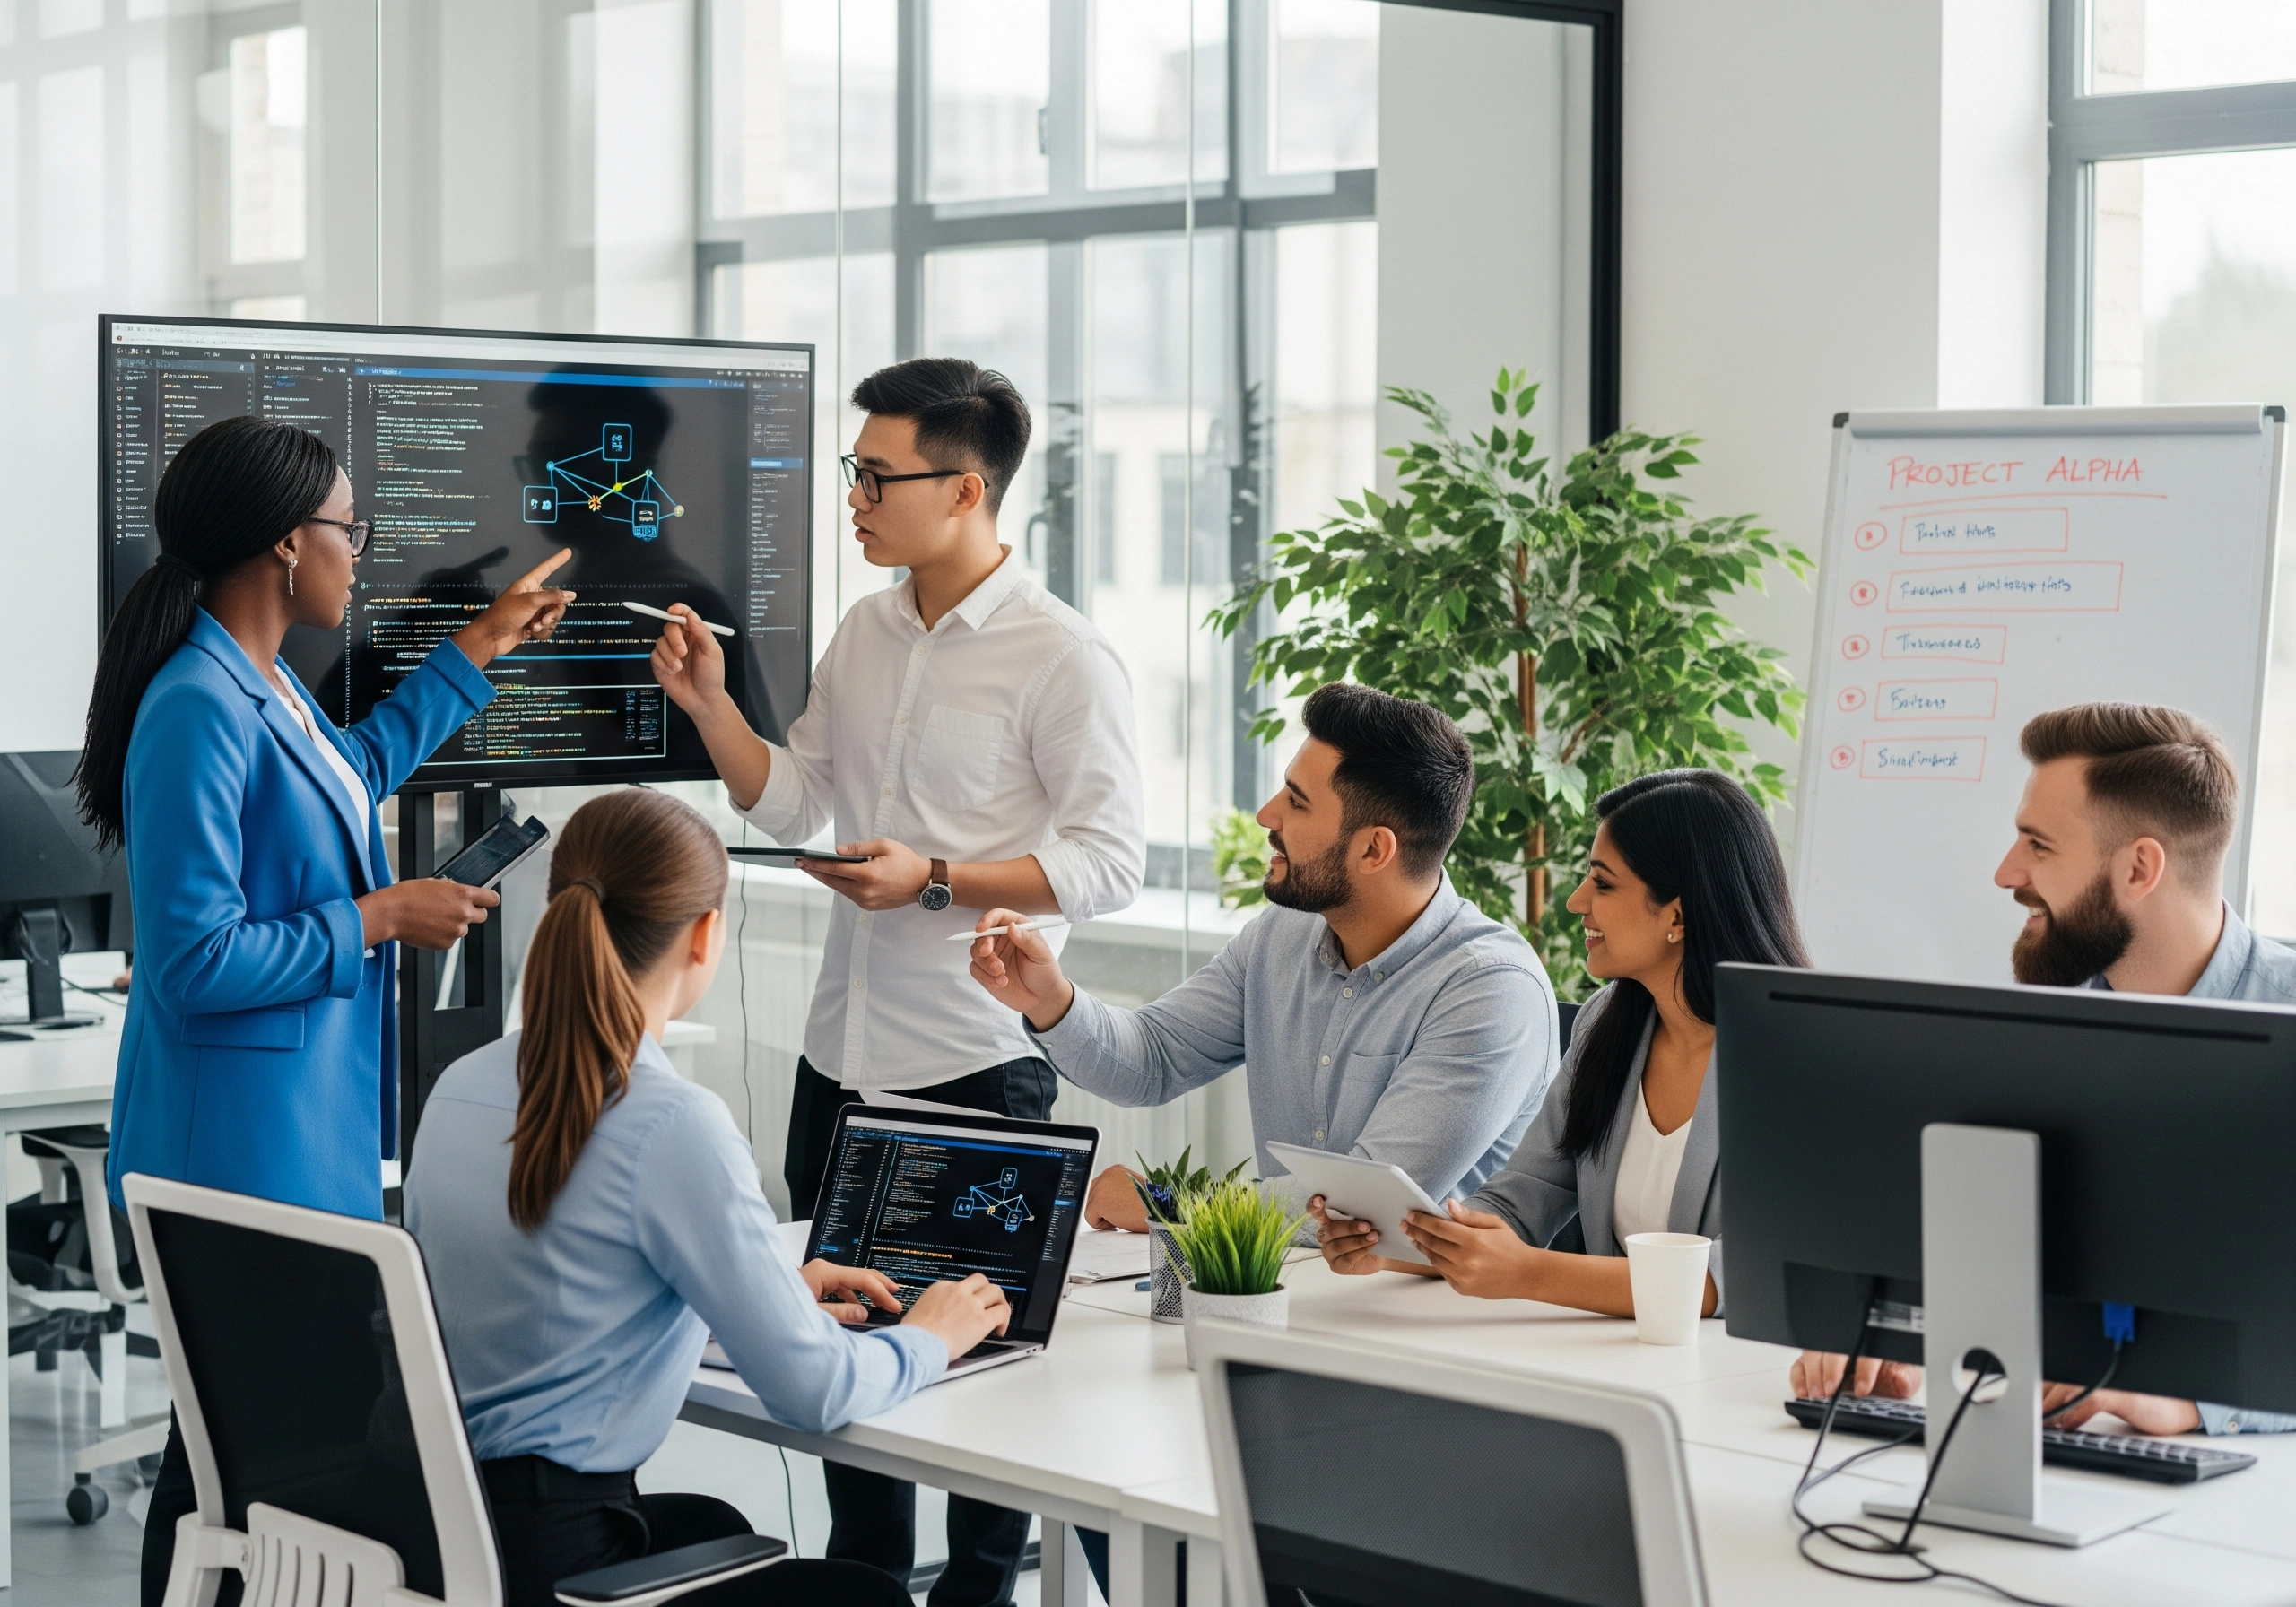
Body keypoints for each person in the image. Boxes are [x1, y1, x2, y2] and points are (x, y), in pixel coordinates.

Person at [648, 357, 1144, 1607]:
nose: (854, 498)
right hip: (843, 1068)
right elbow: (802, 790)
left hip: (975, 1072)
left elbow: (1110, 863)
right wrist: (712, 707)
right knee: (842, 1381)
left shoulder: (1061, 656)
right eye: (853, 472)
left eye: (877, 476)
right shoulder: (866, 629)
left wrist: (938, 881)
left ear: (966, 489)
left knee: (985, 1404)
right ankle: (859, 1592)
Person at [76, 418, 572, 1607]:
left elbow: (351, 769)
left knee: (251, 1463)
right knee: (235, 1470)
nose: (364, 547)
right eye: (352, 527)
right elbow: (191, 962)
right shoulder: (196, 703)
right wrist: (378, 917)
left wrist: (475, 650)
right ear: (291, 548)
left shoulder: (262, 685)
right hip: (232, 1163)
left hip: (290, 1148)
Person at [403, 790, 1008, 1607]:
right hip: (558, 1566)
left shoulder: (461, 1085)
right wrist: (933, 1336)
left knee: (718, 1527)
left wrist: (770, 1297)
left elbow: (553, 1288)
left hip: (439, 1530)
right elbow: (816, 1393)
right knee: (866, 1599)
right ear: (704, 936)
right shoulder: (671, 1121)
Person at [1792, 701, 2296, 1436]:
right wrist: (1888, 1333)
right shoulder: (2040, 1035)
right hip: (2050, 1449)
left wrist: (2189, 1400)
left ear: (2139, 867)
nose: (2007, 873)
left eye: (2038, 844)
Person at [968, 681, 1554, 1232]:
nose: (1266, 815)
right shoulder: (1283, 935)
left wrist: (1166, 1206)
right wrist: (1050, 999)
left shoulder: (1491, 989)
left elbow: (1369, 1200)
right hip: (1292, 1294)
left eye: (1297, 803)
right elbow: (1151, 1060)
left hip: (1434, 1323)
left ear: (1375, 849)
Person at [1311, 769, 1805, 1316]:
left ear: (1678, 914)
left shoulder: (1795, 1056)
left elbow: (1741, 1272)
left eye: (1603, 882)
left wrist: (1531, 1273)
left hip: (1736, 1374)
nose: (1576, 902)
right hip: (1604, 1360)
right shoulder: (1605, 1025)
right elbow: (1516, 1205)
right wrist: (1389, 1247)